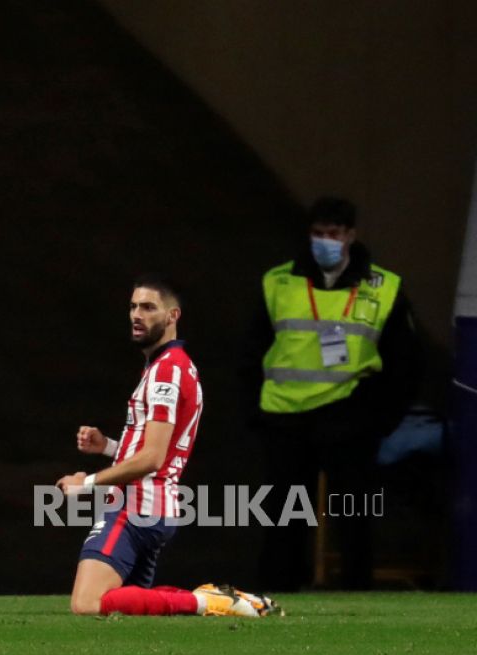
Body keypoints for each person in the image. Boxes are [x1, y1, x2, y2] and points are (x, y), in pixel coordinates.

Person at [56, 277, 279, 618]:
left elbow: (153, 458)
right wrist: (108, 446)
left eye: (148, 307)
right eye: (133, 306)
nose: (136, 314)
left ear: (173, 315)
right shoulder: (168, 366)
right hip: (153, 506)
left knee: (87, 604)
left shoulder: (167, 372)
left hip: (137, 506)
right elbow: (160, 450)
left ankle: (208, 602)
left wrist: (84, 485)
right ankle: (222, 598)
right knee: (130, 605)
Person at [243, 196, 420, 591]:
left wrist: (377, 420)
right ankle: (276, 594)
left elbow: (406, 363)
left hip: (349, 418)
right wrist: (257, 415)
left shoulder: (382, 288)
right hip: (285, 418)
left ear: (351, 236)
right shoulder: (280, 282)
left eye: (334, 234)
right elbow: (251, 351)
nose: (326, 241)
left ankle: (357, 596)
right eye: (318, 234)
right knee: (285, 517)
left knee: (354, 515)